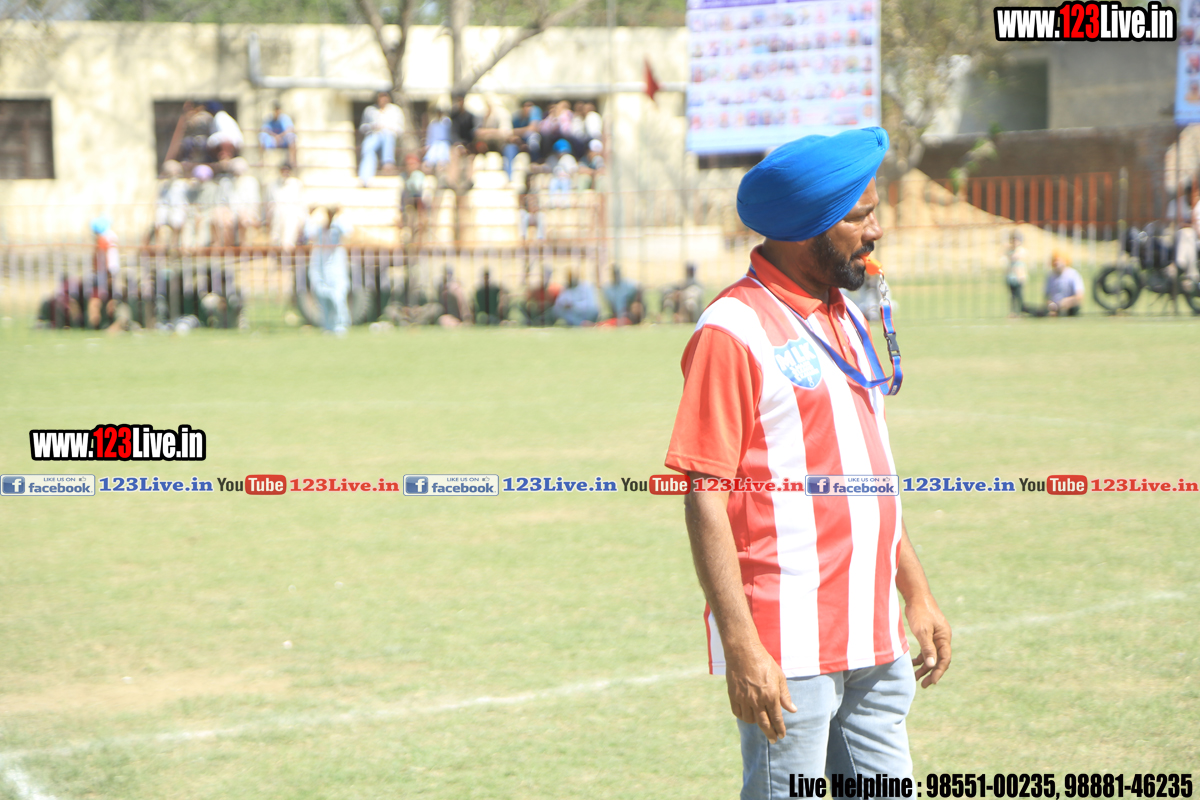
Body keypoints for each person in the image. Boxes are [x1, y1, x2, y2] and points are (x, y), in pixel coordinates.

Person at [664, 127, 951, 800]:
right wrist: (743, 646)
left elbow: (867, 477)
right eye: (859, 217)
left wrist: (916, 591)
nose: (876, 230)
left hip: (873, 632)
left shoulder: (845, 313)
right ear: (805, 228)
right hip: (788, 644)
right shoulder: (732, 331)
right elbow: (705, 496)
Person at [304, 205, 353, 335]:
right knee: (322, 296)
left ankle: (341, 325)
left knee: (338, 296)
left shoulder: (337, 229)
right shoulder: (319, 229)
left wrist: (339, 214)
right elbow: (308, 233)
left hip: (336, 267)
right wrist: (310, 214)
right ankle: (327, 326)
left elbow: (348, 230)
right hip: (320, 267)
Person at [359, 91, 404, 187]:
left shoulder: (395, 110)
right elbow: (363, 127)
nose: (382, 100)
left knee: (387, 136)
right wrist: (372, 126)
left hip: (389, 136)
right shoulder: (370, 110)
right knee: (367, 150)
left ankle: (388, 164)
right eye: (380, 97)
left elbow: (400, 129)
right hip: (374, 134)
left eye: (385, 97)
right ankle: (365, 178)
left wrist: (388, 127)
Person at [266, 162, 306, 249]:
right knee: (276, 239)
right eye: (283, 170)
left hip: (292, 214)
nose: (285, 173)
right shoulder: (273, 185)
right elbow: (270, 204)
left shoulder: (296, 184)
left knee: (288, 240)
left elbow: (301, 203)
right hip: (277, 214)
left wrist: (301, 220)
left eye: (287, 170)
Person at [448, 94, 477, 190]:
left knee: (471, 157)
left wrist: (466, 145)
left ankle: (469, 180)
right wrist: (458, 144)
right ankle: (452, 181)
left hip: (468, 145)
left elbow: (471, 133)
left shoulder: (470, 116)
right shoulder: (454, 115)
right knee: (454, 155)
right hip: (457, 144)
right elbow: (453, 132)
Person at [1043, 250, 1084, 316]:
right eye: (1054, 261)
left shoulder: (1073, 274)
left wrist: (1064, 303)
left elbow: (1079, 296)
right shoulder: (1050, 276)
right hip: (1054, 307)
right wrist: (1051, 305)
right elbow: (1046, 296)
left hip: (1069, 308)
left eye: (1058, 260)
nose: (1056, 263)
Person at [1005, 229, 1028, 316]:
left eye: (1016, 240)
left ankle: (1021, 311)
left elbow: (1016, 257)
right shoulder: (1009, 250)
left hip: (1019, 277)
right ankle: (1013, 311)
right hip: (1011, 277)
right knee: (1012, 295)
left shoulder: (1021, 250)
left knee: (1019, 295)